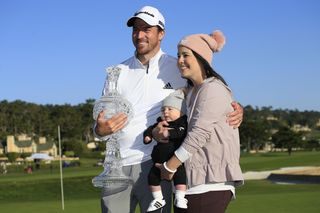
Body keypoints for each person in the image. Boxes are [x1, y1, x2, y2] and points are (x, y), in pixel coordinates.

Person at [94, 5, 244, 213]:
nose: (139, 35)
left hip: (156, 163)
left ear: (161, 33)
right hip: (117, 168)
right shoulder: (117, 72)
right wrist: (99, 130)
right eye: (136, 29)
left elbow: (209, 96)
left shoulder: (179, 66)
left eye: (147, 29)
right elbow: (101, 123)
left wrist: (236, 108)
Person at [155, 30, 244, 213]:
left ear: (201, 58)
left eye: (185, 55)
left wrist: (169, 166)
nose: (179, 60)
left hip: (209, 185)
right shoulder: (192, 91)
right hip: (191, 185)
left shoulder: (213, 89)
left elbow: (199, 133)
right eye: (179, 55)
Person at [143, 90, 188, 212]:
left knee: (180, 177)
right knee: (152, 177)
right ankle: (158, 199)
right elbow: (150, 129)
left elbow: (181, 132)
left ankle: (180, 197)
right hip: (158, 162)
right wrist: (148, 136)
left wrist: (169, 132)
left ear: (181, 111)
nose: (166, 112)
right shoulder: (160, 123)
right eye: (163, 110)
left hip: (175, 160)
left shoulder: (181, 123)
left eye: (170, 109)